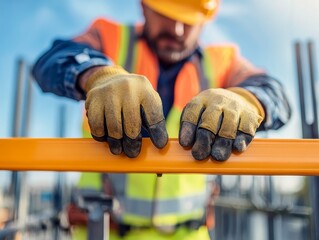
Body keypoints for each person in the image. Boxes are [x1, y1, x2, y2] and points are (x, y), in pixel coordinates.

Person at [32, 0, 291, 239]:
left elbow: (274, 92)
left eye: (188, 20)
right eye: (167, 13)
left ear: (204, 21)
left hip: (188, 234)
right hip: (103, 231)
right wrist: (97, 75)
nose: (177, 29)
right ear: (144, 7)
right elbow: (51, 60)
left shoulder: (221, 62)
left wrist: (248, 99)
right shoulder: (110, 38)